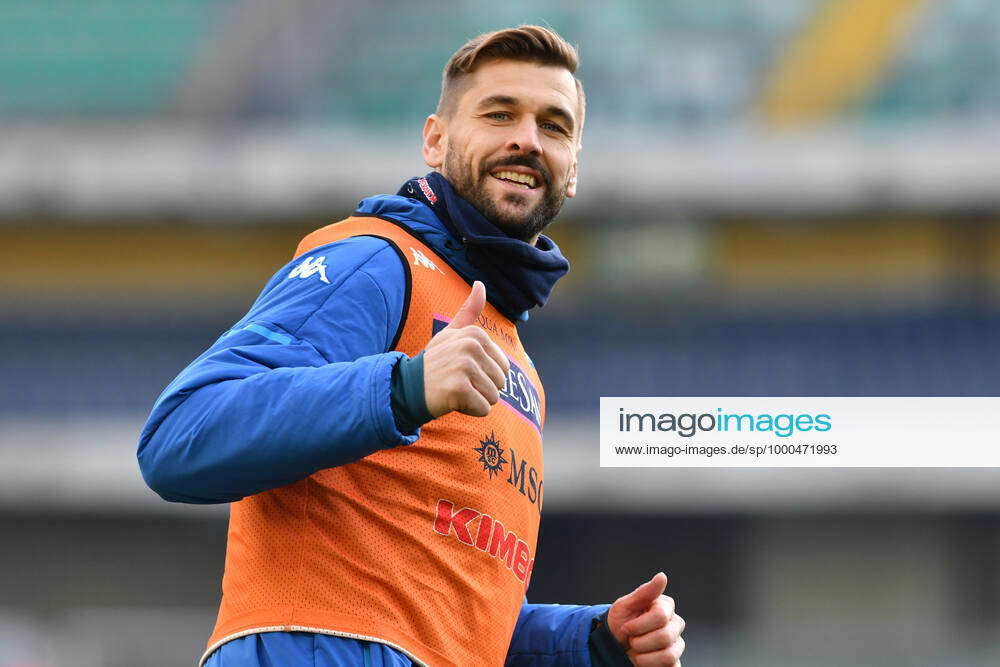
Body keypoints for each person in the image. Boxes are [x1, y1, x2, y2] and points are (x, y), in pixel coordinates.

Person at [138, 25, 685, 667]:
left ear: (572, 174)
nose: (527, 140)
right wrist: (402, 388)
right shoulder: (375, 261)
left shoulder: (519, 368)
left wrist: (589, 641)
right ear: (435, 139)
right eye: (499, 113)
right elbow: (177, 438)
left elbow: (447, 617)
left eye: (554, 126)